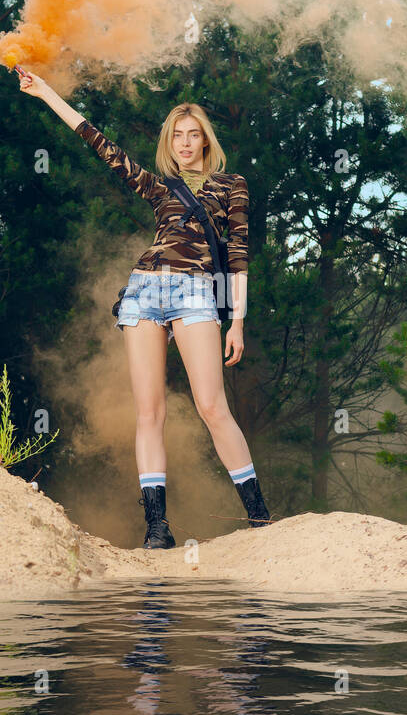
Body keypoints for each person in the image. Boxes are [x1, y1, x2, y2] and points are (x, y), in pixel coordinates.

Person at [18, 70, 271, 548]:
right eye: (178, 135)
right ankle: (158, 528)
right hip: (143, 294)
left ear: (206, 140)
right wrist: (47, 91)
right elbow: (102, 145)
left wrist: (237, 320)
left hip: (197, 292)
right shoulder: (159, 188)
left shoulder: (231, 185)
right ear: (169, 142)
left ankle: (259, 519)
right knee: (148, 413)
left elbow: (237, 253)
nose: (186, 142)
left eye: (194, 134)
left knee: (212, 406)